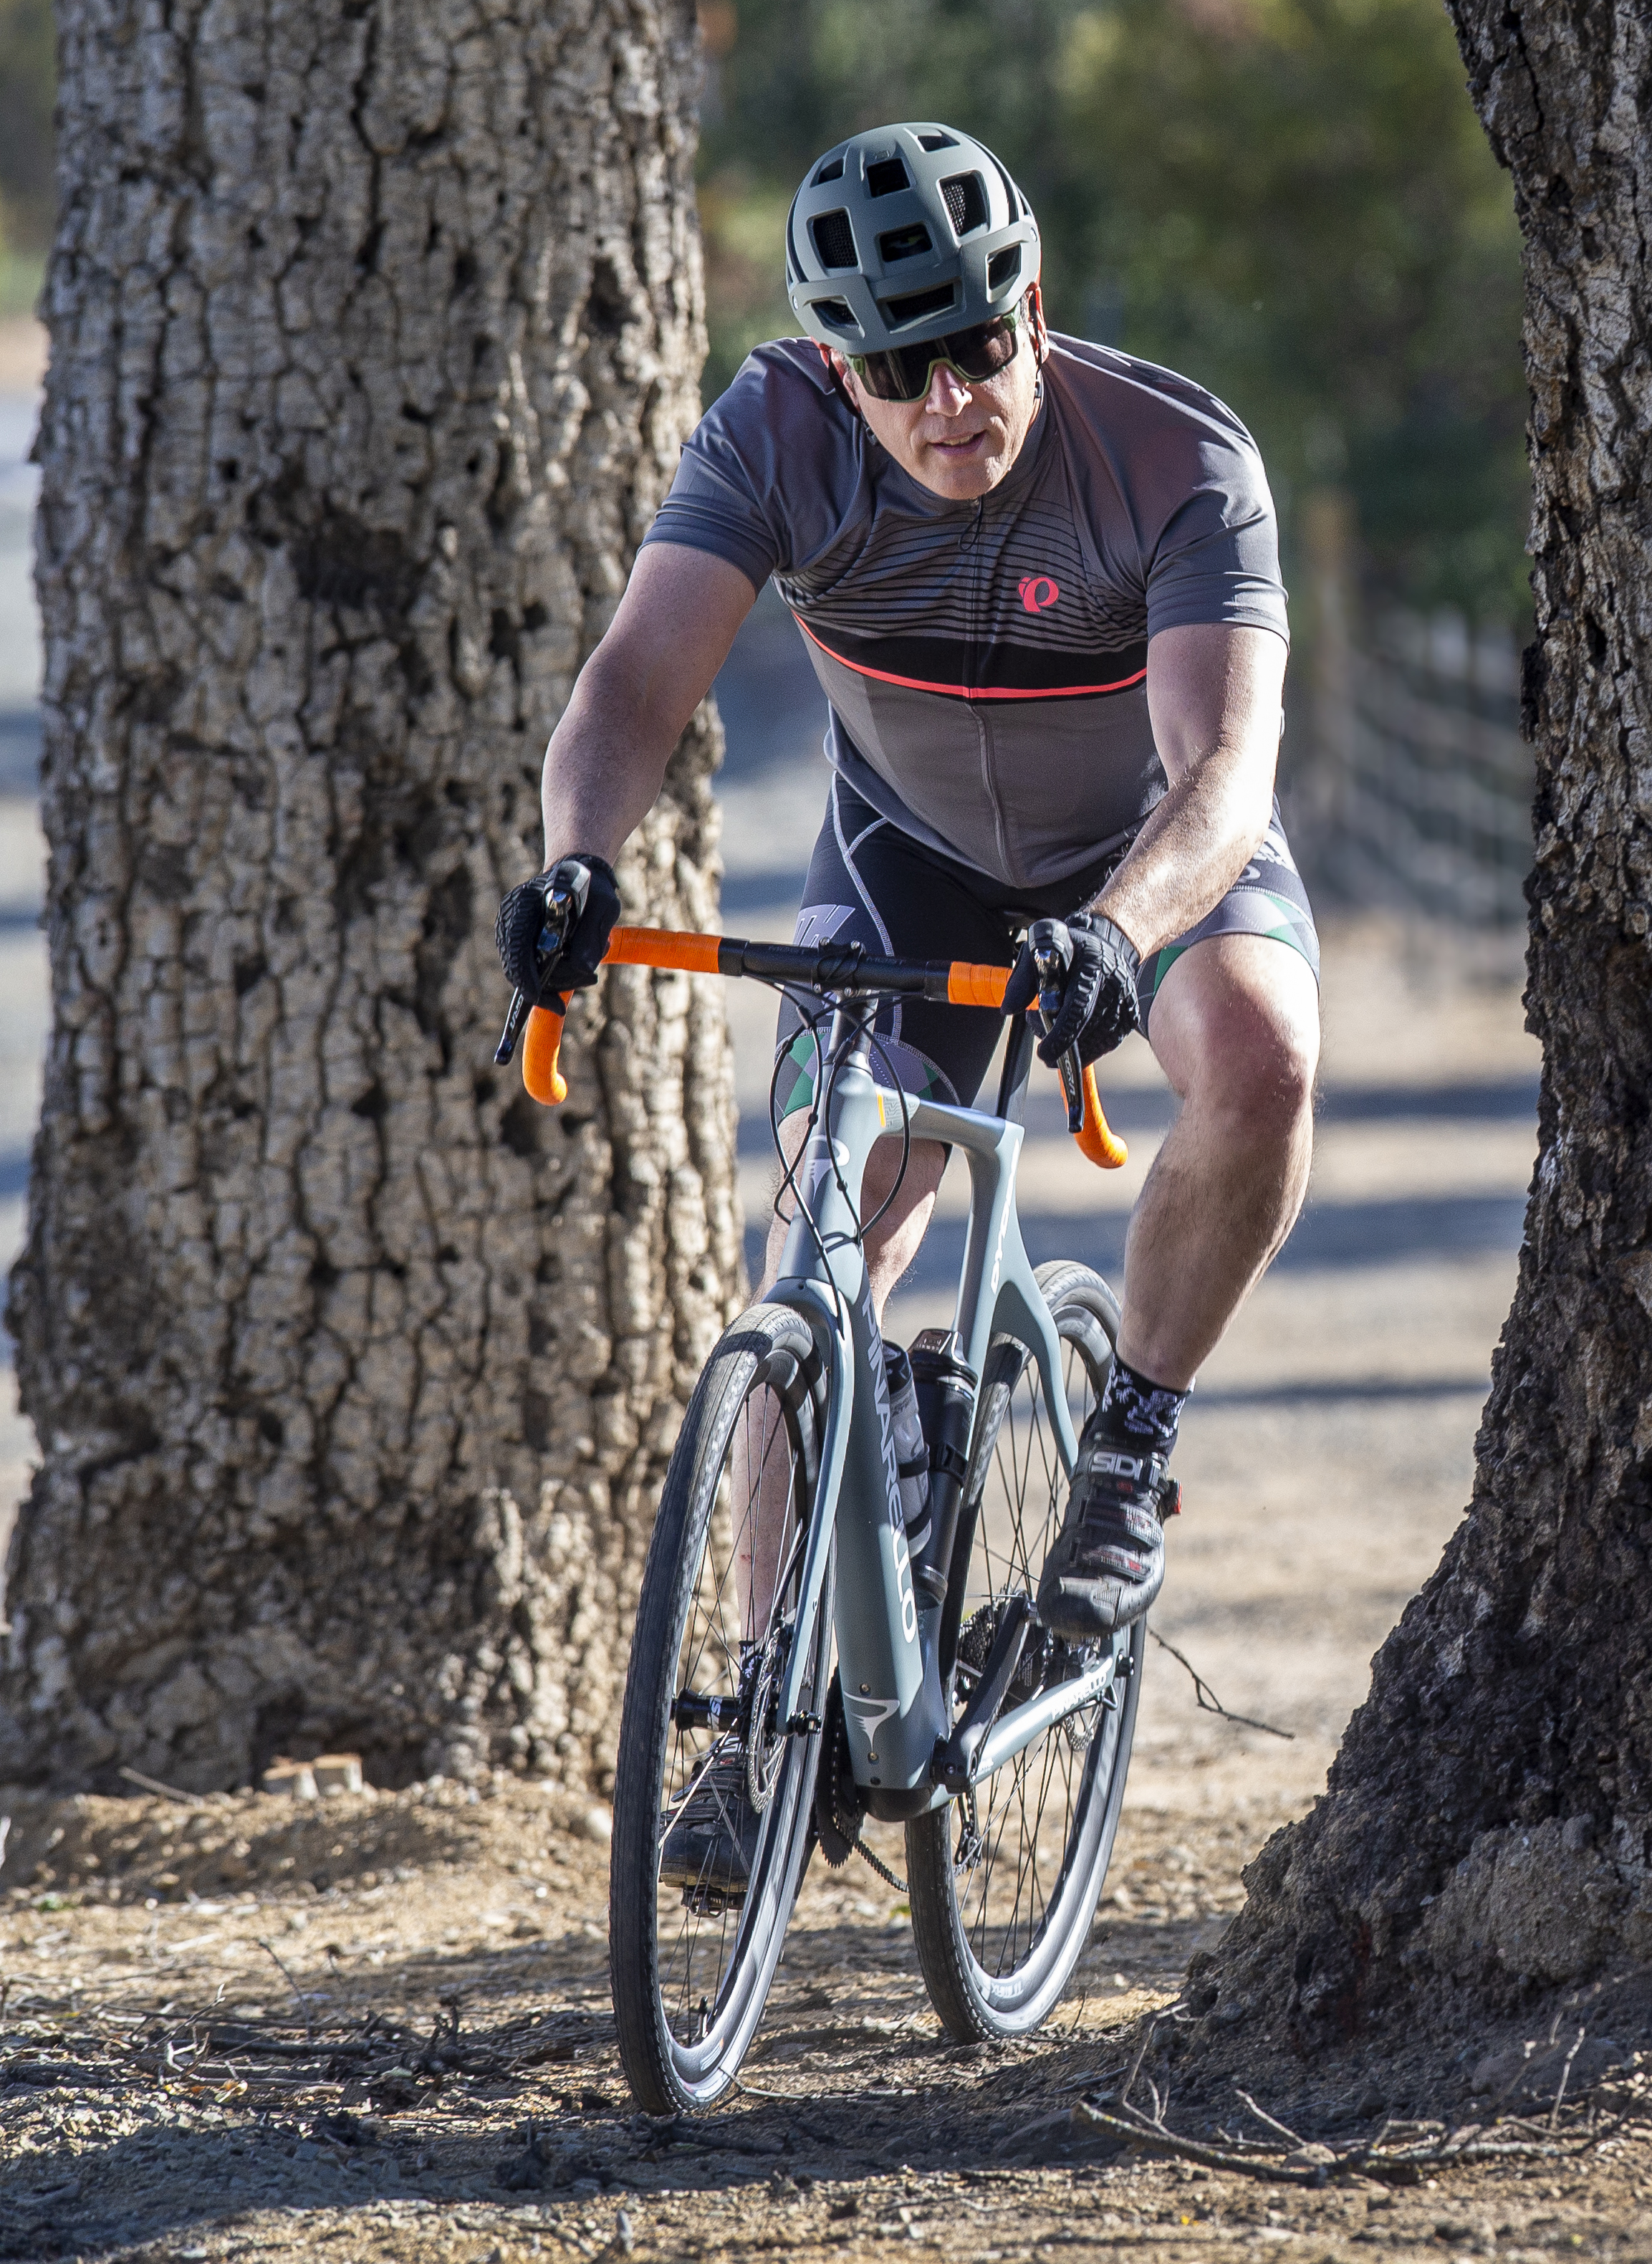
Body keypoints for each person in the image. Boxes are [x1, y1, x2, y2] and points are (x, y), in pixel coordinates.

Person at [498, 120, 1317, 1881]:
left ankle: (1130, 1453)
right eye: (897, 363)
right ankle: (764, 1716)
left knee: (1256, 1055)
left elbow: (1225, 767)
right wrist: (578, 860)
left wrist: (1119, 929)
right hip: (911, 857)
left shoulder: (1176, 458)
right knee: (820, 1244)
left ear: (1035, 309)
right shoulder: (774, 431)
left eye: (978, 340)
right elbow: (641, 675)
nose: (949, 394)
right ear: (834, 364)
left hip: (1148, 851)